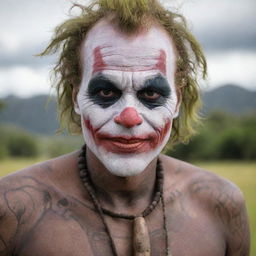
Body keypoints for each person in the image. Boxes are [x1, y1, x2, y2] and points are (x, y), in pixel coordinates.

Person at [0, 0, 250, 255]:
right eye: (106, 91)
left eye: (151, 93)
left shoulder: (221, 205)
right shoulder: (11, 208)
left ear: (178, 101)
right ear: (76, 98)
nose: (129, 117)